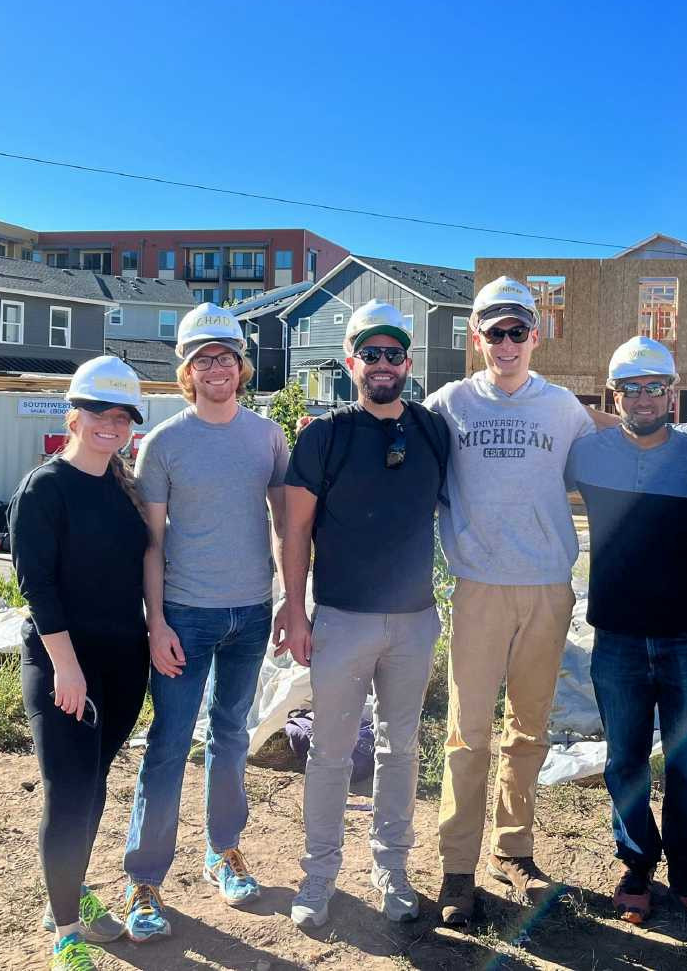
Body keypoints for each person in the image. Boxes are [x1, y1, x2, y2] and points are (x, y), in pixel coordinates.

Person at [273, 300, 450, 929]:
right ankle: (319, 877)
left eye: (393, 353)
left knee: (401, 749)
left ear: (408, 362)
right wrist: (295, 611)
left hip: (414, 621)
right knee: (329, 751)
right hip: (342, 620)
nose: (381, 364)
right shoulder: (324, 435)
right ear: (351, 362)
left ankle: (392, 872)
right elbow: (295, 532)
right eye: (369, 353)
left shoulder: (431, 431)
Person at [424, 276, 595, 925]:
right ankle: (457, 866)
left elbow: (601, 473)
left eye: (516, 330)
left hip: (547, 587)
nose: (505, 342)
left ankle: (513, 845)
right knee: (468, 733)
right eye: (493, 331)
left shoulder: (563, 410)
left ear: (535, 334)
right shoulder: (449, 405)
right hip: (479, 589)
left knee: (529, 726)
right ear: (477, 337)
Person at [117, 304, 289, 941]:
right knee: (167, 745)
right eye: (202, 360)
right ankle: (145, 880)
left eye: (226, 358)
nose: (216, 369)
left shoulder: (268, 437)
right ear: (186, 372)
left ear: (241, 367)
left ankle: (224, 852)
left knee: (231, 737)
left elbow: (284, 527)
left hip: (250, 614)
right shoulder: (164, 442)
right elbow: (152, 545)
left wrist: (287, 602)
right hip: (185, 616)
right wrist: (155, 622)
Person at [566, 337, 687, 939]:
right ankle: (637, 868)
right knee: (625, 761)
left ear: (673, 392)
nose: (643, 398)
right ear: (614, 395)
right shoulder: (585, 455)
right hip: (615, 635)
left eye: (654, 387)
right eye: (631, 388)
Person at [9, 356, 152, 971]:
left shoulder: (123, 487)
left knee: (93, 786)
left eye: (121, 417)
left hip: (125, 661)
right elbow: (37, 586)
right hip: (64, 661)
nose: (110, 425)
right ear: (74, 414)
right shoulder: (45, 487)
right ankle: (66, 931)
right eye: (99, 412)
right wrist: (66, 668)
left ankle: (69, 894)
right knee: (68, 791)